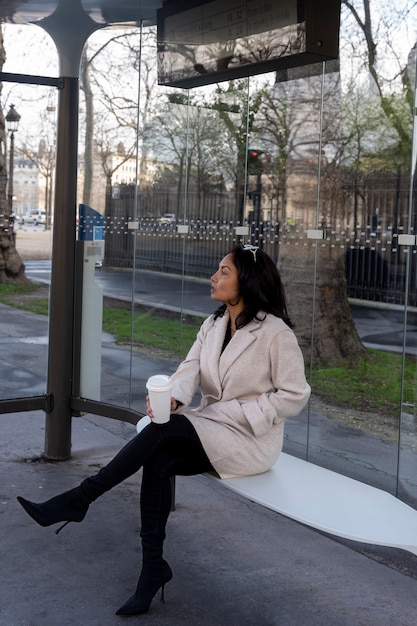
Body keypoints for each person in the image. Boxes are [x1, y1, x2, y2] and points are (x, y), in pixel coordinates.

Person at [17, 244, 311, 617]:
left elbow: (294, 395)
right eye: (217, 270)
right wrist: (172, 398)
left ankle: (79, 500)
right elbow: (189, 369)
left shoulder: (274, 333)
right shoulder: (214, 324)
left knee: (161, 434)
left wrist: (246, 412)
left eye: (224, 272)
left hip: (250, 440)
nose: (214, 277)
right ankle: (152, 567)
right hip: (212, 427)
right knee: (159, 459)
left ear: (247, 281)